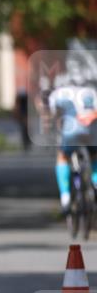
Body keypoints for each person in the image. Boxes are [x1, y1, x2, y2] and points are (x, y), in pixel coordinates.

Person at [48, 66, 97, 217]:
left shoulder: (57, 94)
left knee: (62, 156)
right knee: (95, 156)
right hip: (91, 131)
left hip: (71, 131)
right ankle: (95, 185)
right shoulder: (91, 92)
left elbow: (55, 117)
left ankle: (65, 197)